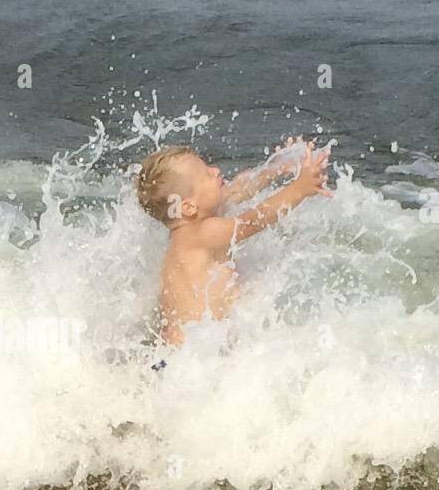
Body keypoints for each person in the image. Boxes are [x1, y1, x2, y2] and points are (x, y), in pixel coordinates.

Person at [136, 139, 332, 348]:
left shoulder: (190, 225)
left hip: (179, 348)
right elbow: (255, 220)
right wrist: (299, 189)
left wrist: (278, 168)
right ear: (188, 207)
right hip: (196, 351)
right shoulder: (203, 232)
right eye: (206, 175)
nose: (216, 170)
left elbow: (240, 189)